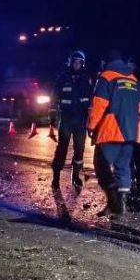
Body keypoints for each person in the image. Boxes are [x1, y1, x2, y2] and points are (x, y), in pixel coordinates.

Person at [87, 49, 140, 218]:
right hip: (131, 132)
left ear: (106, 61)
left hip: (111, 130)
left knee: (101, 165)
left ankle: (113, 202)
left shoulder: (106, 77)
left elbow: (99, 105)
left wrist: (91, 126)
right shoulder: (133, 79)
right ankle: (121, 206)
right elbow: (139, 107)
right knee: (123, 168)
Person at [50, 50, 92, 191]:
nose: (77, 65)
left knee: (79, 150)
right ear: (71, 62)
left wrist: (91, 120)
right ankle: (56, 177)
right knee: (62, 149)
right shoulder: (63, 78)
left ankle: (76, 176)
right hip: (66, 119)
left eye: (80, 63)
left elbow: (91, 100)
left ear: (83, 64)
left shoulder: (86, 79)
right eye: (75, 62)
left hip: (81, 120)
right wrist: (52, 114)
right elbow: (54, 96)